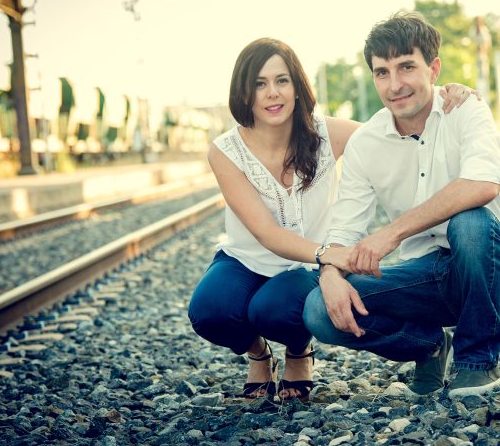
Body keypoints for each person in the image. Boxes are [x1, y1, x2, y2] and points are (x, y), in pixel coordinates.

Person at [187, 37, 478, 402]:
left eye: (282, 80)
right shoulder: (226, 151)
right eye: (259, 84)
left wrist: (443, 92)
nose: (272, 94)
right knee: (209, 311)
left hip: (306, 266)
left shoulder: (329, 133)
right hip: (250, 260)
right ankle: (259, 355)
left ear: (297, 86)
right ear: (244, 92)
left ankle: (297, 351)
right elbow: (264, 232)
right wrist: (330, 254)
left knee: (273, 309)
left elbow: (396, 128)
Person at [303, 12, 500, 399]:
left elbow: (482, 184)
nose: (395, 85)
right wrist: (329, 275)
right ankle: (430, 346)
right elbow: (343, 230)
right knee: (319, 312)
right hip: (424, 278)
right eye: (382, 72)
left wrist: (391, 233)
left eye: (406, 67)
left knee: (469, 222)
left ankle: (477, 361)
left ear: (434, 68)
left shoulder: (466, 110)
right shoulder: (366, 143)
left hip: (494, 270)